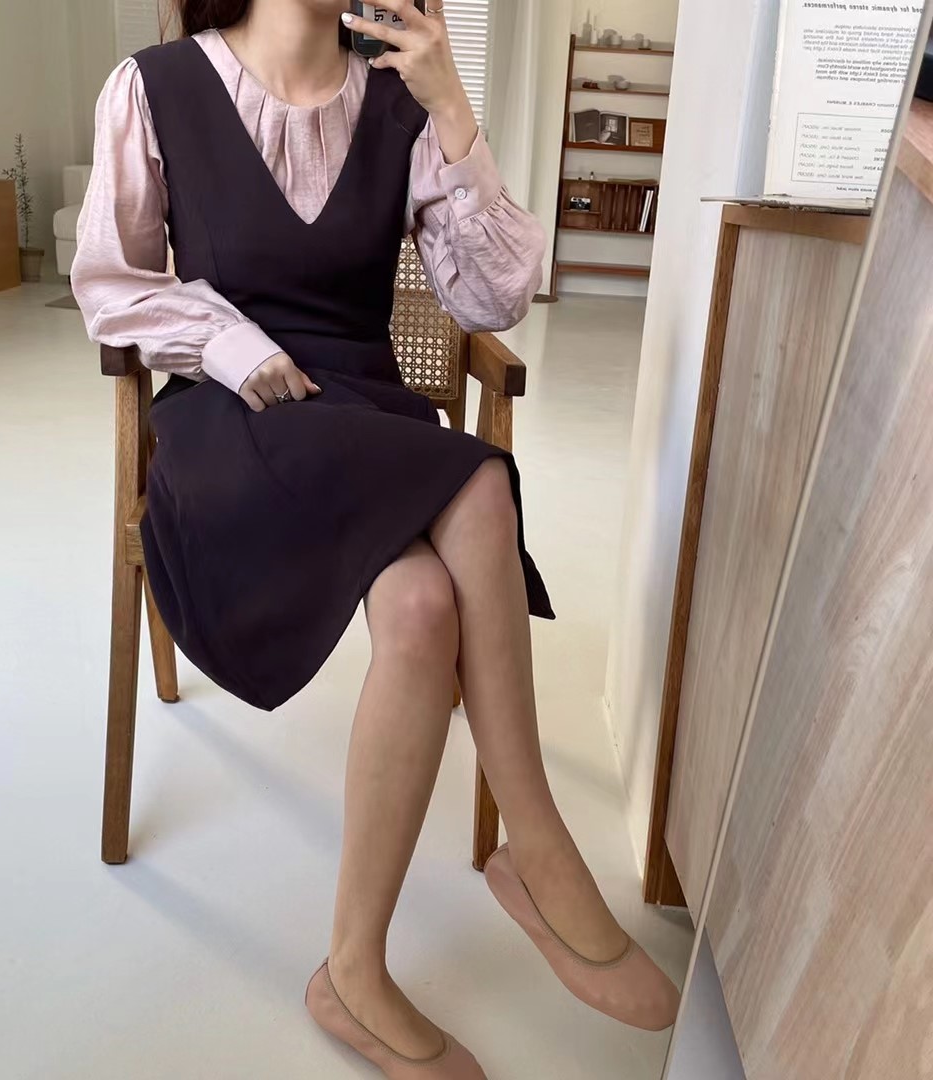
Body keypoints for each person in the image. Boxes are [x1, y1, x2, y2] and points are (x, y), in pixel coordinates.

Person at [72, 1, 679, 1075]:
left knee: (424, 598)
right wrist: (225, 342)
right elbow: (112, 284)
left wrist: (452, 106)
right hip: (231, 417)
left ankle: (353, 968)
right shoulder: (155, 87)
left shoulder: (400, 101)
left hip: (359, 410)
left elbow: (496, 297)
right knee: (477, 480)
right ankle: (537, 851)